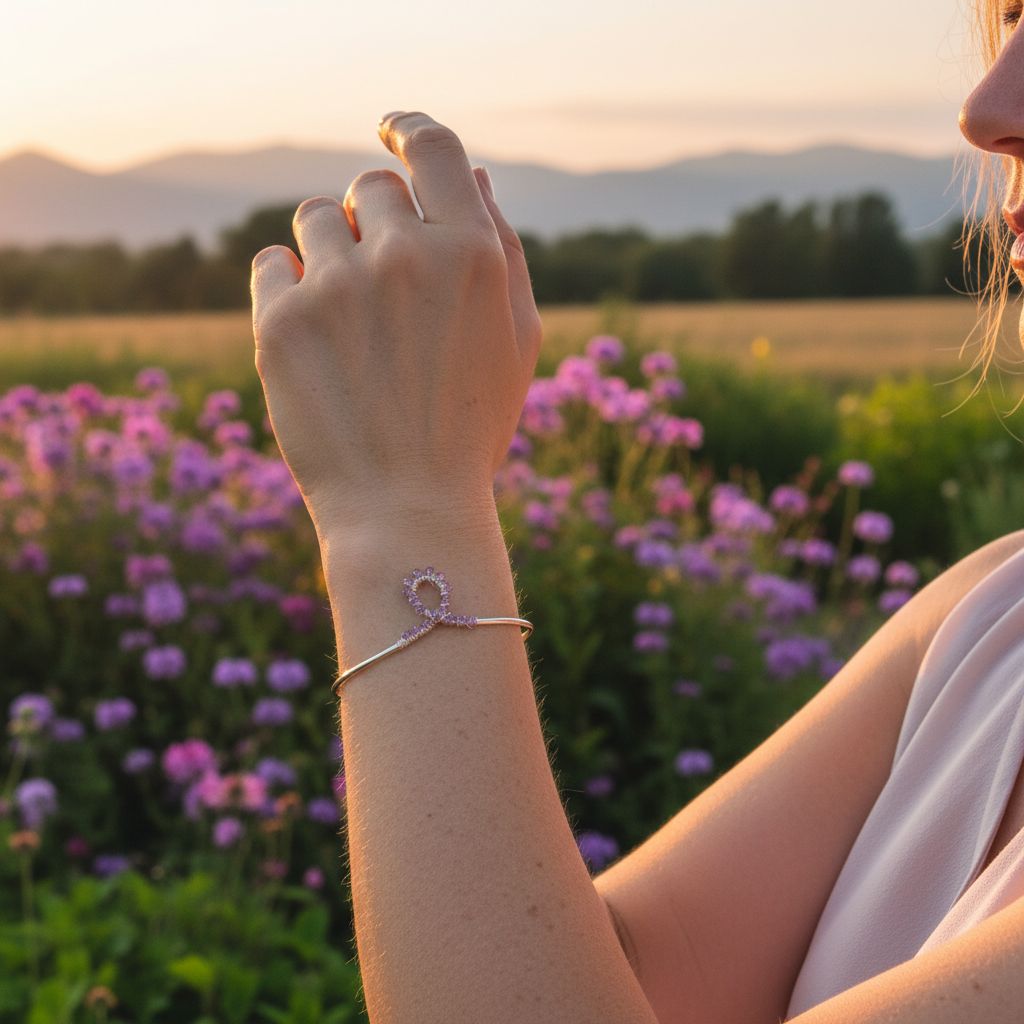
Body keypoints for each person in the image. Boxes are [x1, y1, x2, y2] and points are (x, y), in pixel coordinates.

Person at [248, 10, 1024, 1016]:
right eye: (1008, 15)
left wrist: (400, 513)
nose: (985, 107)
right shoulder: (989, 621)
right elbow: (628, 973)